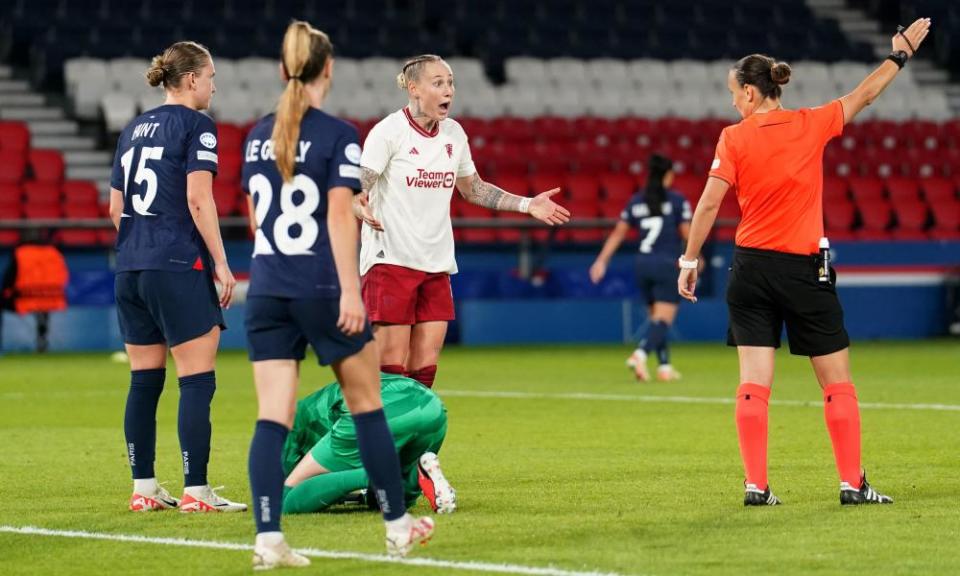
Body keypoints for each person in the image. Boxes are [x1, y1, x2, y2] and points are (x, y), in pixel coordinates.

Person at [678, 19, 931, 506]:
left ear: (751, 93)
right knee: (836, 381)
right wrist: (899, 55)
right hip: (802, 269)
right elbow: (865, 95)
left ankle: (756, 486)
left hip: (749, 269)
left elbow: (708, 205)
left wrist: (689, 261)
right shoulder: (811, 123)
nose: (732, 102)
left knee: (753, 383)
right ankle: (852, 484)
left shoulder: (732, 139)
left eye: (735, 93)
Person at [241, 21, 434, 570]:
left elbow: (257, 217)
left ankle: (267, 539)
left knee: (271, 418)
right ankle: (397, 528)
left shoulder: (257, 134)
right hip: (322, 288)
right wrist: (352, 290)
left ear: (283, 70)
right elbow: (337, 217)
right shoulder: (337, 133)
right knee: (367, 406)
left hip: (267, 289)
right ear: (328, 69)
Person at [353, 54, 570, 389]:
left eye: (451, 82)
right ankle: (380, 440)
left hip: (436, 264)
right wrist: (358, 204)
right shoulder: (388, 132)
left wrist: (528, 204)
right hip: (390, 261)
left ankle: (415, 440)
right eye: (438, 82)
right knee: (391, 368)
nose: (448, 90)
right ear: (414, 89)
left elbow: (474, 189)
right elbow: (359, 186)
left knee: (424, 371)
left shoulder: (453, 134)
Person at [108, 41, 245, 514]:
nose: (213, 86)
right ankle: (196, 491)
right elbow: (199, 199)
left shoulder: (131, 129)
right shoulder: (197, 126)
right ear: (191, 80)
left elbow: (115, 208)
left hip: (129, 267)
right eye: (210, 77)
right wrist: (221, 264)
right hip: (176, 265)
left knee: (144, 382)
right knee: (196, 380)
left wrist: (141, 246)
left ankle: (143, 489)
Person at [281, 372, 455, 515]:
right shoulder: (302, 412)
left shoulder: (284, 430)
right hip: (432, 407)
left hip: (375, 409)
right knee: (390, 500)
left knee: (285, 502)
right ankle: (418, 473)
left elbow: (288, 487)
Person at [590, 154, 691, 382]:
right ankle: (640, 354)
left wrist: (601, 261)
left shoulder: (636, 201)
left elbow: (618, 233)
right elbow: (687, 233)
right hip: (666, 264)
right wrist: (695, 257)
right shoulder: (676, 200)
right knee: (664, 320)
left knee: (656, 319)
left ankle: (664, 367)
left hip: (643, 265)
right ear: (668, 174)